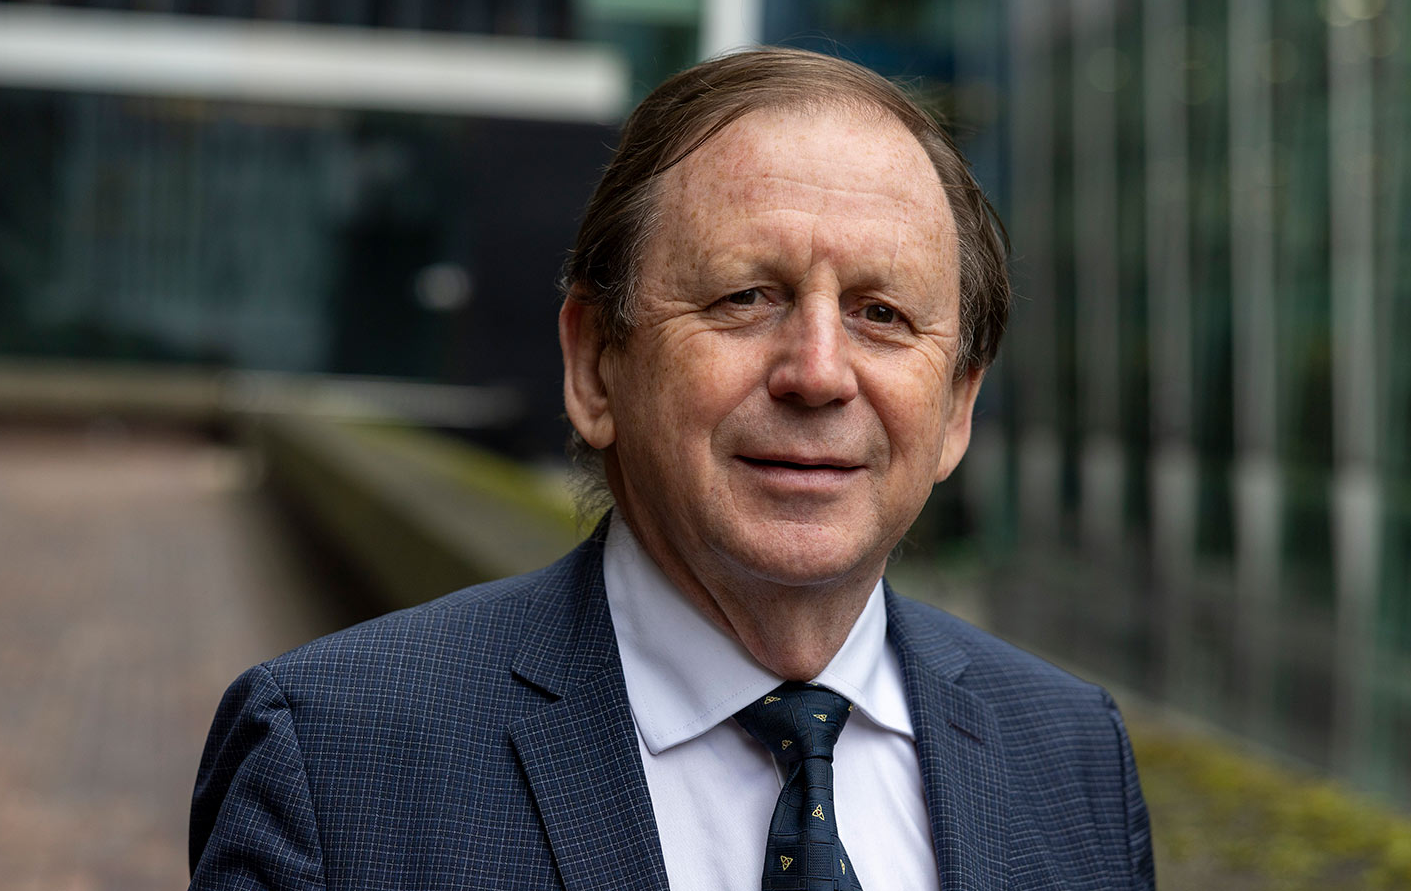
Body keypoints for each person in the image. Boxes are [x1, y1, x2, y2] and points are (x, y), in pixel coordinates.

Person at [189, 48, 1155, 891]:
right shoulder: (335, 758)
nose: (819, 372)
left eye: (882, 315)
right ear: (593, 365)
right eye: (745, 297)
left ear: (956, 409)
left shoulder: (1075, 761)